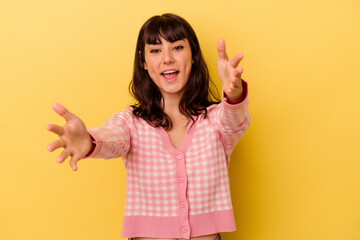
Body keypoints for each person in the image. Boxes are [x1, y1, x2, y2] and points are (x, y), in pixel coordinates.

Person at [46, 13, 250, 240]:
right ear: (143, 62)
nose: (167, 58)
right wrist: (88, 141)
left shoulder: (214, 120)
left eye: (177, 48)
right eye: (155, 50)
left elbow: (236, 122)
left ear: (193, 56)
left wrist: (235, 93)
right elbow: (112, 138)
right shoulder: (130, 122)